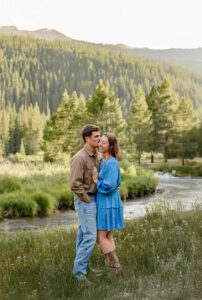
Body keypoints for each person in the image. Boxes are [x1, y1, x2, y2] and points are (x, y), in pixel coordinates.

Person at [69, 124, 101, 283]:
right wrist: (87, 201)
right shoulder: (79, 157)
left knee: (82, 236)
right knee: (90, 237)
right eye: (96, 136)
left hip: (94, 199)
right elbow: (74, 184)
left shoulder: (98, 156)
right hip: (85, 201)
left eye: (99, 135)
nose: (99, 138)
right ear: (87, 138)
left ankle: (85, 269)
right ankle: (79, 275)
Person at [92, 133, 124, 275]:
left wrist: (96, 181)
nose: (100, 144)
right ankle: (111, 269)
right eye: (100, 142)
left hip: (108, 203)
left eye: (104, 143)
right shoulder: (103, 160)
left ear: (111, 146)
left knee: (100, 237)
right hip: (107, 201)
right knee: (107, 236)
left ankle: (116, 267)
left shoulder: (110, 162)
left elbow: (109, 185)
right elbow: (116, 182)